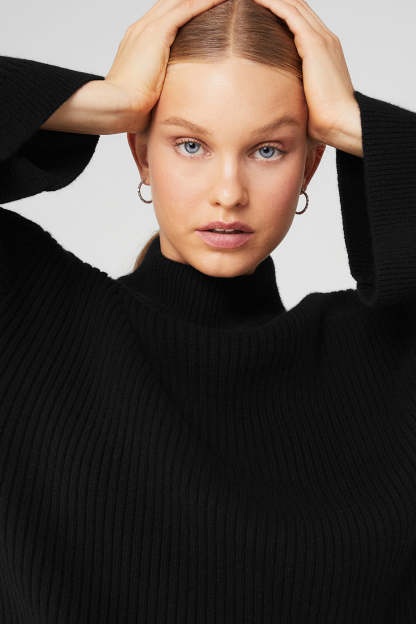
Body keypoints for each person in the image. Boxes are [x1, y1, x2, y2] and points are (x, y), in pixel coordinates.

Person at [0, 0, 415, 621]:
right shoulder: (31, 320)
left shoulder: (386, 363)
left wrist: (352, 124)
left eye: (268, 150)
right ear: (141, 153)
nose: (228, 192)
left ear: (311, 163)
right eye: (190, 144)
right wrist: (105, 103)